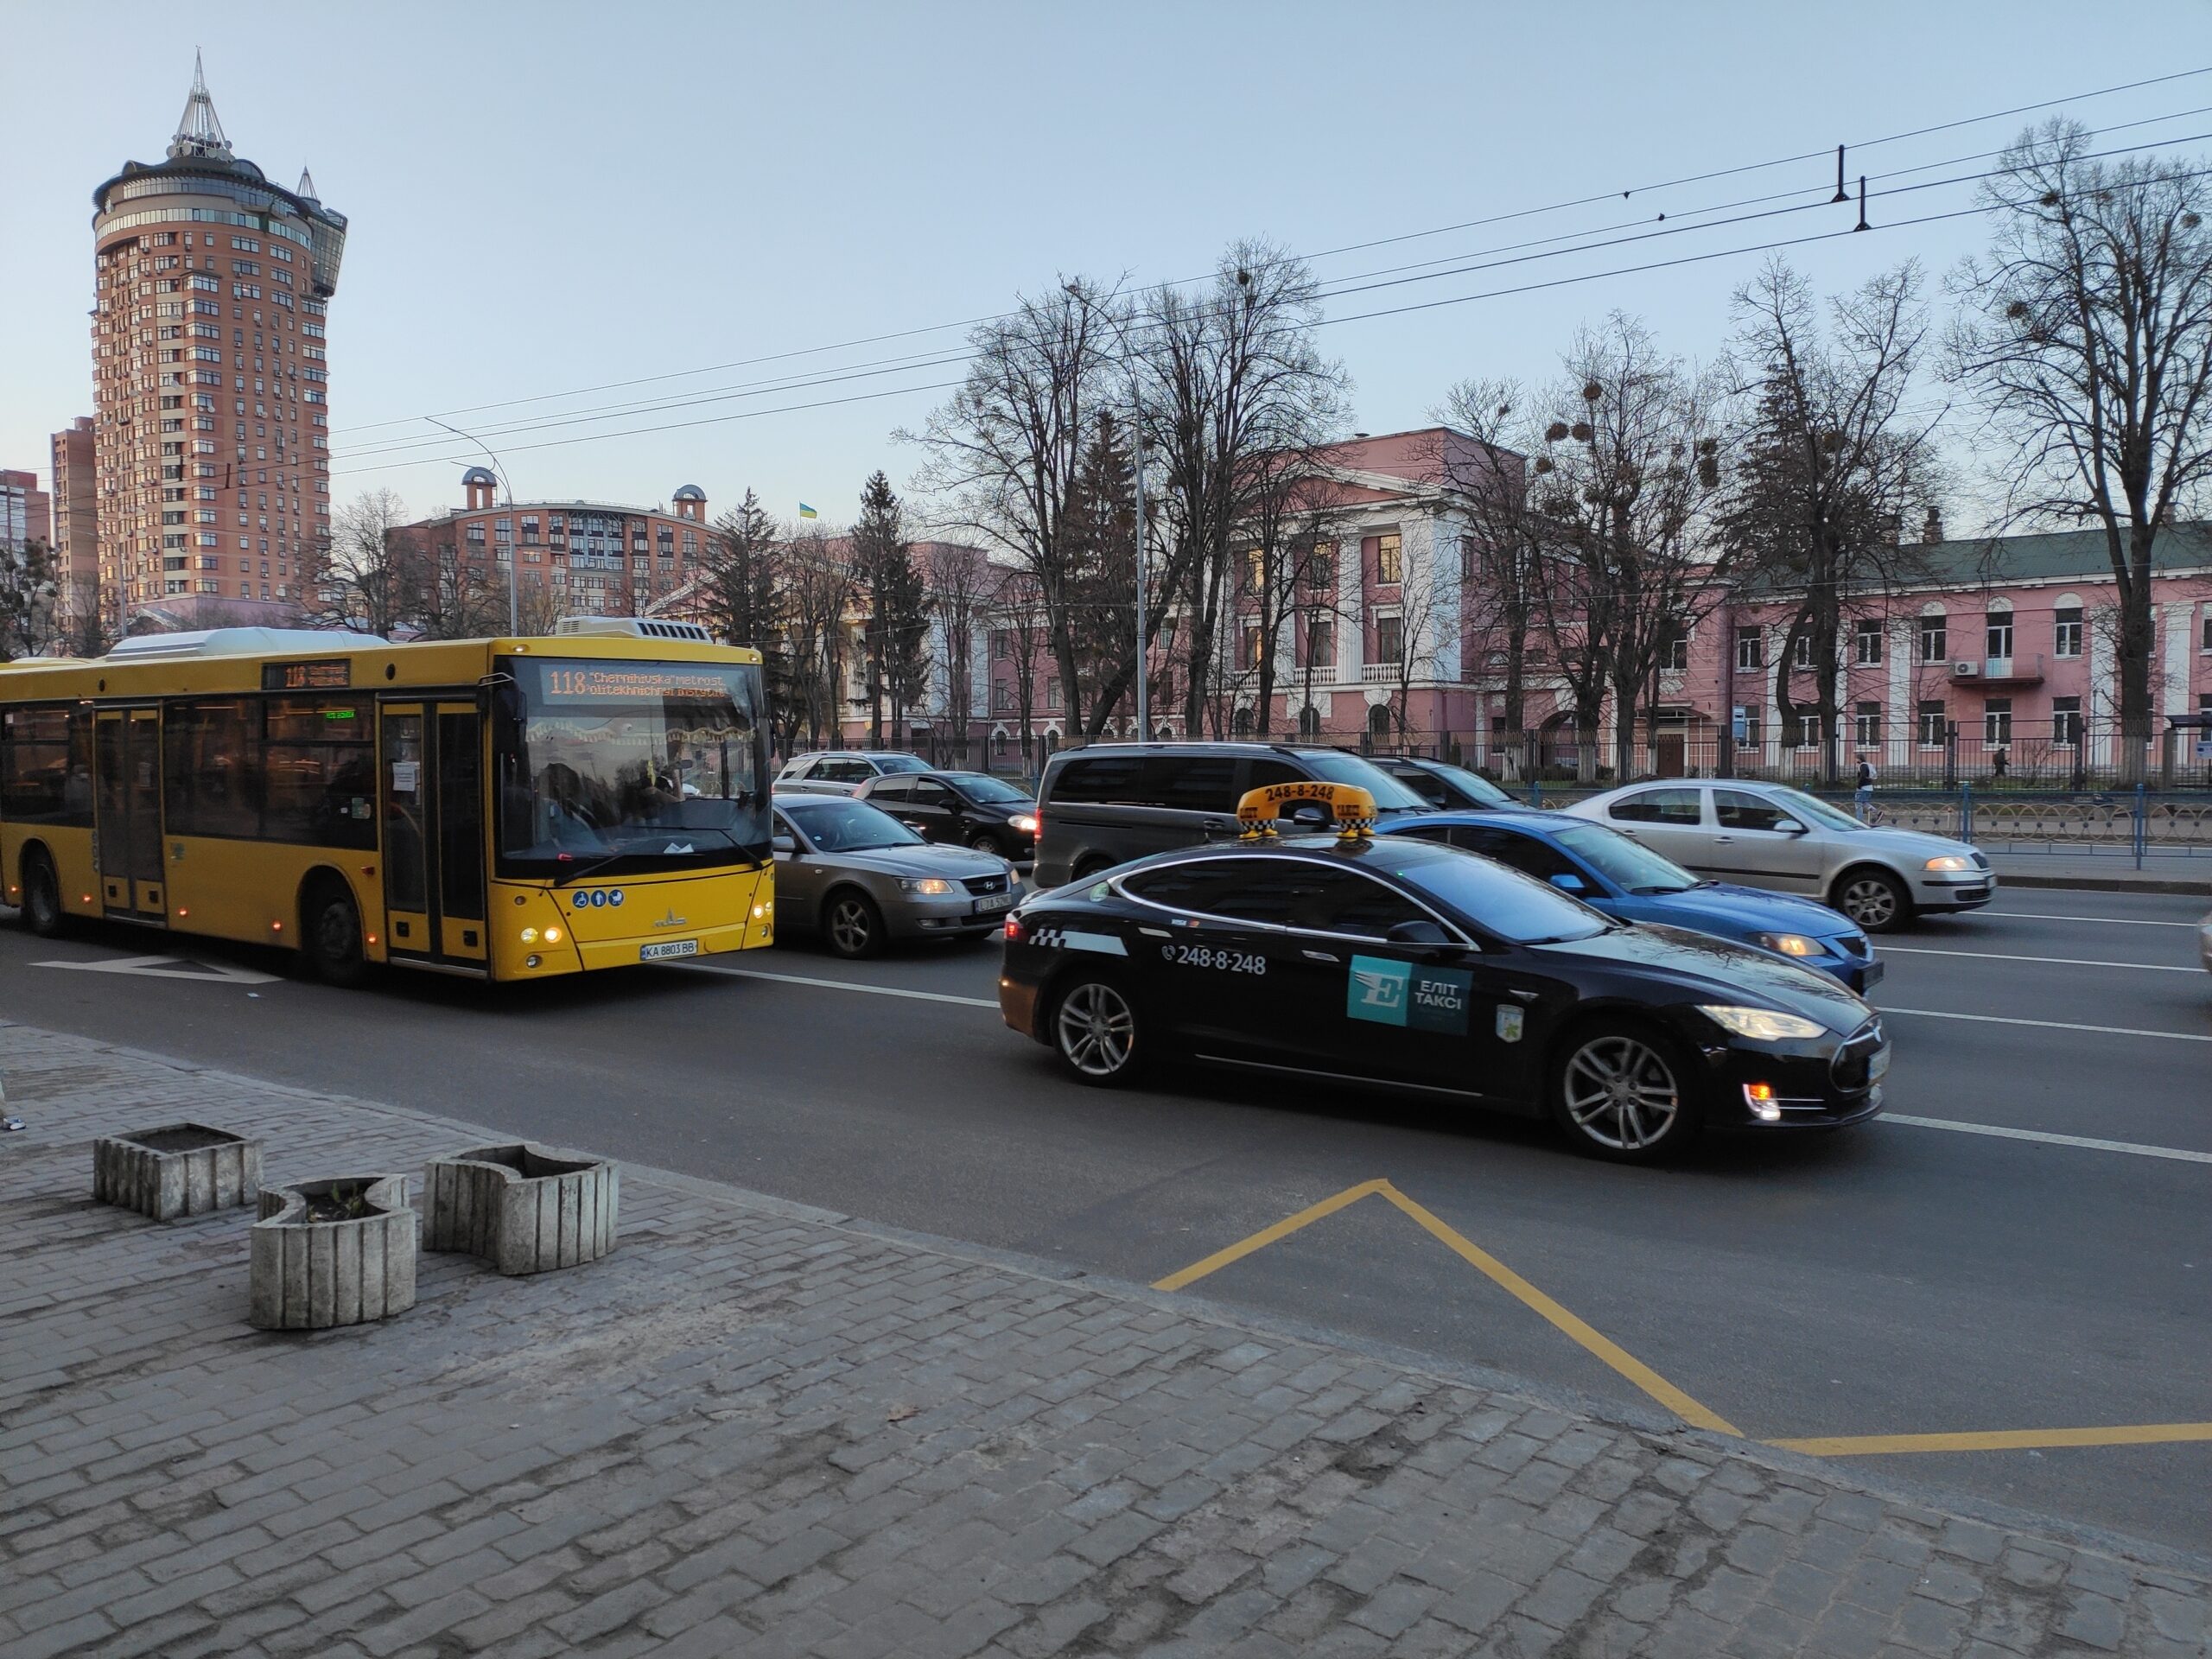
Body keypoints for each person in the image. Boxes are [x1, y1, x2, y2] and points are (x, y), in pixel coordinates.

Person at [1854, 755, 1877, 823]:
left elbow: (1862, 777)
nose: (1855, 760)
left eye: (1856, 759)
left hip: (1863, 787)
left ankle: (1859, 820)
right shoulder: (1867, 765)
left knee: (1858, 803)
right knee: (1864, 802)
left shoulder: (1862, 766)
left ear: (1859, 759)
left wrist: (1859, 786)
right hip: (1869, 787)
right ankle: (1876, 812)